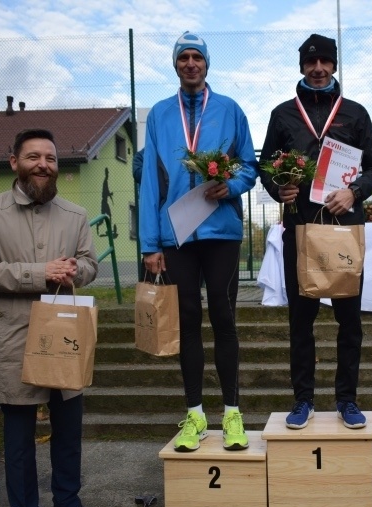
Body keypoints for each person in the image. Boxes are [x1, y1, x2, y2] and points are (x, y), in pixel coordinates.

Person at [0, 129, 112, 507]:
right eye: (33, 157)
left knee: (68, 433)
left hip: (65, 336)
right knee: (19, 440)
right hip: (13, 338)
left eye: (50, 158)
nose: (43, 164)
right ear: (14, 162)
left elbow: (90, 264)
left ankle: (67, 505)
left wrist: (73, 270)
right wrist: (38, 273)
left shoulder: (75, 215)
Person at [259, 33, 372, 430]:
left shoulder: (354, 113)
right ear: (301, 67)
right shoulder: (283, 114)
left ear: (334, 66)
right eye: (311, 63)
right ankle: (303, 400)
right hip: (300, 228)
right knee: (301, 321)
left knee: (350, 322)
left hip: (344, 229)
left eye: (325, 62)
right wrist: (277, 188)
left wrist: (353, 192)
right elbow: (265, 164)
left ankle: (347, 400)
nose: (318, 69)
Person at [138, 32, 258, 452]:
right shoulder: (159, 114)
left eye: (197, 57)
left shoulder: (229, 109)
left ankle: (232, 414)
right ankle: (194, 415)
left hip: (221, 230)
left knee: (224, 318)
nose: (191, 63)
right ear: (176, 65)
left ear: (207, 64)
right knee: (187, 321)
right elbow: (150, 178)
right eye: (184, 57)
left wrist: (234, 184)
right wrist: (150, 244)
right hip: (176, 236)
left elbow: (249, 164)